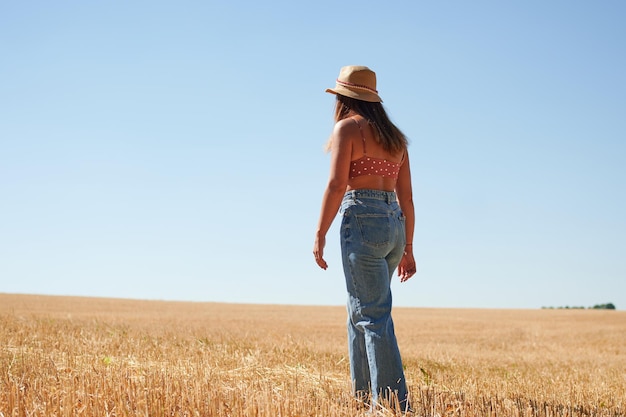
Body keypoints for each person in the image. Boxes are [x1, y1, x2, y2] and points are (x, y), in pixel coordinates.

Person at [313, 65, 416, 412]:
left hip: (362, 219)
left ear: (343, 98)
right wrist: (410, 248)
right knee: (359, 310)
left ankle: (391, 405)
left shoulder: (347, 129)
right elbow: (407, 198)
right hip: (394, 226)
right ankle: (361, 397)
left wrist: (319, 232)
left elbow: (336, 185)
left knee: (372, 315)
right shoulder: (396, 139)